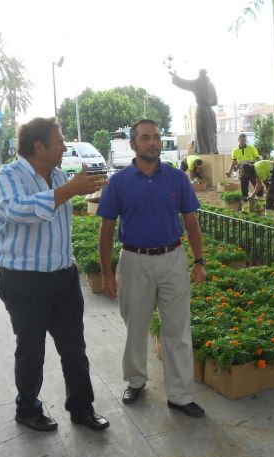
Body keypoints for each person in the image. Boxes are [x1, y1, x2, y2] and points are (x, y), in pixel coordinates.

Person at [0, 117, 110, 432]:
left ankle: (82, 408)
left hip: (63, 277)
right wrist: (70, 189)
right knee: (31, 349)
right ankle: (27, 408)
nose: (64, 147)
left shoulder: (58, 175)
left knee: (74, 348)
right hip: (24, 281)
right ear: (39, 146)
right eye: (59, 142)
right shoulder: (9, 175)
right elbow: (19, 210)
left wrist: (92, 190)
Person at [97, 119, 207, 419]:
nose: (153, 143)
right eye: (146, 138)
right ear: (133, 144)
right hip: (134, 262)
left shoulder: (177, 179)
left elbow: (191, 222)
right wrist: (107, 273)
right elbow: (106, 230)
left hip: (172, 259)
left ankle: (181, 396)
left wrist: (199, 261)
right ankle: (135, 381)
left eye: (157, 137)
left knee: (178, 330)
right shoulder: (118, 182)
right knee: (136, 326)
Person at [170, 69, 218, 154]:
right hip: (211, 112)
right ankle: (212, 150)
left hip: (202, 111)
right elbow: (215, 101)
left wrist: (175, 77)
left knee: (202, 133)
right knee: (211, 134)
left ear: (200, 74)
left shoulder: (198, 83)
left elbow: (184, 83)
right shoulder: (212, 85)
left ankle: (204, 151)